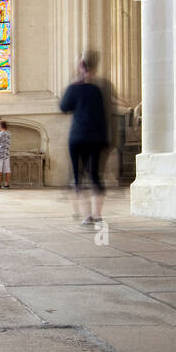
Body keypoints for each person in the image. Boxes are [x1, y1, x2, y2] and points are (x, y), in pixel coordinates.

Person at [60, 53, 110, 224]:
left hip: (78, 136)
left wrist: (75, 82)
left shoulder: (74, 88)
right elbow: (103, 116)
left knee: (77, 175)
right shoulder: (97, 90)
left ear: (81, 68)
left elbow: (64, 106)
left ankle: (87, 215)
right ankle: (98, 215)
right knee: (95, 175)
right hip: (96, 137)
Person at [0, 119, 11, 188]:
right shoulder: (9, 133)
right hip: (7, 153)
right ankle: (7, 184)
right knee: (7, 169)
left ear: (0, 126)